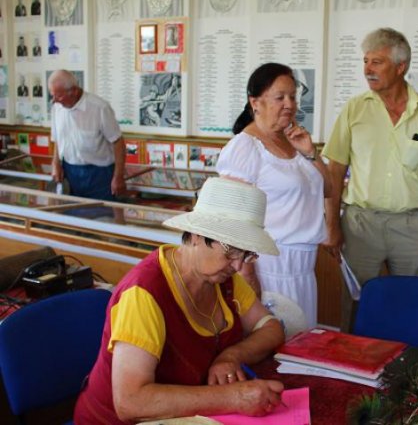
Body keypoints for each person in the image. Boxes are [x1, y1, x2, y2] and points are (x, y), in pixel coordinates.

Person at [74, 177, 286, 424]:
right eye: (231, 251)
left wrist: (232, 356)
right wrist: (233, 397)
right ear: (197, 235)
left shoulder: (222, 278)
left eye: (247, 254)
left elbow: (270, 327)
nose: (239, 265)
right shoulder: (144, 293)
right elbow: (131, 402)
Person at [322, 28, 418, 332]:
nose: (368, 70)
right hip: (360, 224)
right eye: (366, 61)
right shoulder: (354, 109)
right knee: (357, 308)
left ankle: (408, 374)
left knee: (412, 308)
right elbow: (334, 171)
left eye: (377, 62)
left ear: (401, 67)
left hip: (413, 227)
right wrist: (332, 226)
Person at [216, 63, 331, 328]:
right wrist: (247, 275)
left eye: (293, 96)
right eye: (280, 97)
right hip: (269, 267)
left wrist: (311, 153)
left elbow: (328, 190)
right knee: (275, 349)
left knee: (301, 347)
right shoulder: (245, 147)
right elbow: (233, 221)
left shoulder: (294, 140)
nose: (289, 104)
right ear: (255, 102)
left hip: (303, 268)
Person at [48, 70, 126, 200]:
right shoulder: (57, 108)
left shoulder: (100, 108)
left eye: (59, 96)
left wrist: (118, 176)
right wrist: (55, 163)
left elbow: (118, 142)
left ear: (74, 91)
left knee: (103, 217)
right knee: (72, 216)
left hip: (99, 174)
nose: (54, 101)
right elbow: (57, 139)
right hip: (70, 172)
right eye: (52, 95)